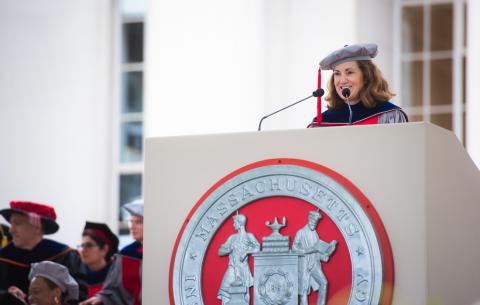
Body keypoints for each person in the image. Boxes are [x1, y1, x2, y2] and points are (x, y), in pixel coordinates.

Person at [0, 201, 87, 305]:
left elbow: (77, 296)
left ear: (37, 227)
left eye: (17, 223)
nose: (11, 230)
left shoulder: (65, 255)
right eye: (11, 224)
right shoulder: (4, 257)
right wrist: (7, 296)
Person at [308, 43, 408, 127]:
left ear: (366, 76)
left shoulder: (388, 115)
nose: (342, 81)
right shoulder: (323, 122)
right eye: (337, 74)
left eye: (349, 72)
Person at [80, 199, 143, 305]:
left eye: (139, 222)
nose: (132, 226)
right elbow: (114, 291)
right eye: (131, 221)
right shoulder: (126, 255)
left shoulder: (163, 254)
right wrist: (102, 298)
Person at [292, 211, 337, 305]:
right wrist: (309, 250)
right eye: (313, 222)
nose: (314, 224)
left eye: (315, 223)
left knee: (323, 283)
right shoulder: (301, 232)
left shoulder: (315, 234)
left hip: (315, 265)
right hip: (304, 265)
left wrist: (328, 251)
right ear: (309, 220)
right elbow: (294, 248)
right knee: (303, 290)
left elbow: (317, 251)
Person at [217, 213, 260, 305]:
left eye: (234, 223)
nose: (233, 225)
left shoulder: (249, 236)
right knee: (225, 288)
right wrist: (229, 249)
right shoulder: (232, 238)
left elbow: (257, 248)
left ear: (239, 223)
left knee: (244, 294)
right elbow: (220, 252)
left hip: (243, 268)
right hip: (232, 266)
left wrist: (246, 252)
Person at [79, 222, 119, 298]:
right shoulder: (76, 275)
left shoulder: (117, 277)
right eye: (82, 245)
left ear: (104, 249)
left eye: (89, 245)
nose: (83, 250)